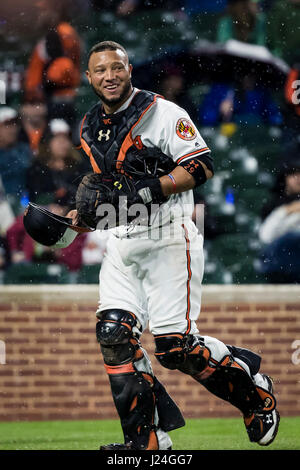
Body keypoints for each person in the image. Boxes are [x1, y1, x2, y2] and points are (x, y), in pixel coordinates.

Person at [67, 40, 279, 450]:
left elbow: (201, 166)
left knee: (175, 348)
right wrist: (78, 220)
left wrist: (147, 189)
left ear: (129, 70)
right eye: (100, 70)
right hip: (121, 242)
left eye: (117, 67)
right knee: (113, 334)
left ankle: (254, 392)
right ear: (89, 78)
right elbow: (109, 193)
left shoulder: (163, 113)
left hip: (168, 235)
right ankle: (146, 442)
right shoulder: (90, 125)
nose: (110, 76)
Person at [258, 158, 300, 283]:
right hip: (280, 259)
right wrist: (287, 211)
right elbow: (266, 236)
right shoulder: (274, 204)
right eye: (293, 174)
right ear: (285, 178)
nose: (298, 178)